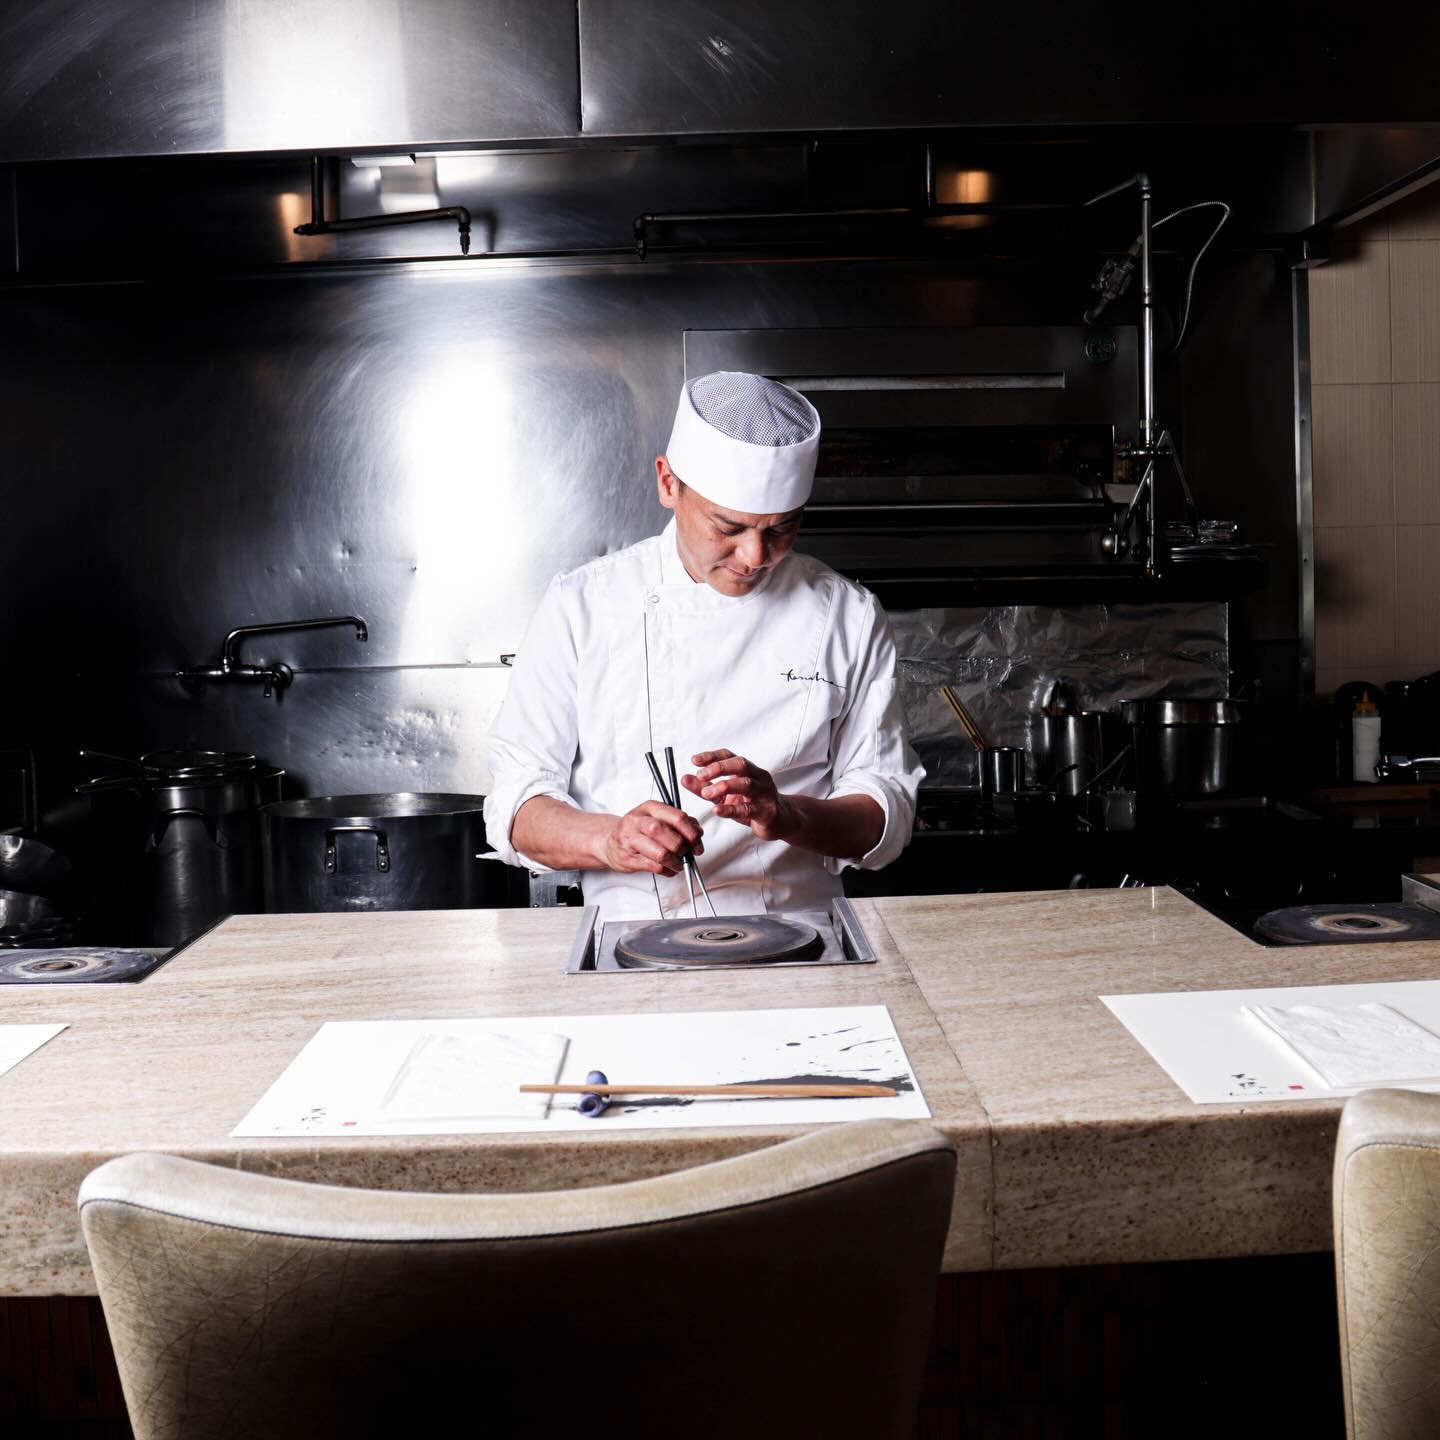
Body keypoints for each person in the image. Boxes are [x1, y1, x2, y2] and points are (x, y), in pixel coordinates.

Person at [483, 370, 924, 920]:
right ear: (668, 483)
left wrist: (787, 816)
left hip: (801, 940)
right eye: (729, 527)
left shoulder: (847, 615)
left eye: (781, 529)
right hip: (628, 938)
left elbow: (886, 807)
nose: (755, 556)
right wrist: (609, 839)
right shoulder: (583, 605)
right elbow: (517, 806)